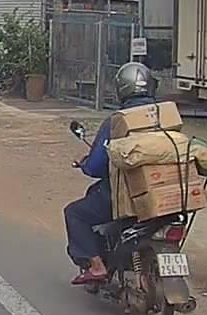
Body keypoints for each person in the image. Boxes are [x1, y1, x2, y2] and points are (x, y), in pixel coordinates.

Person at [64, 62, 157, 285]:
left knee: (74, 213)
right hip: (165, 191)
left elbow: (96, 167)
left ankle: (97, 267)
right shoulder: (165, 116)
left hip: (126, 195)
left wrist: (85, 165)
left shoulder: (117, 122)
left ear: (121, 89)